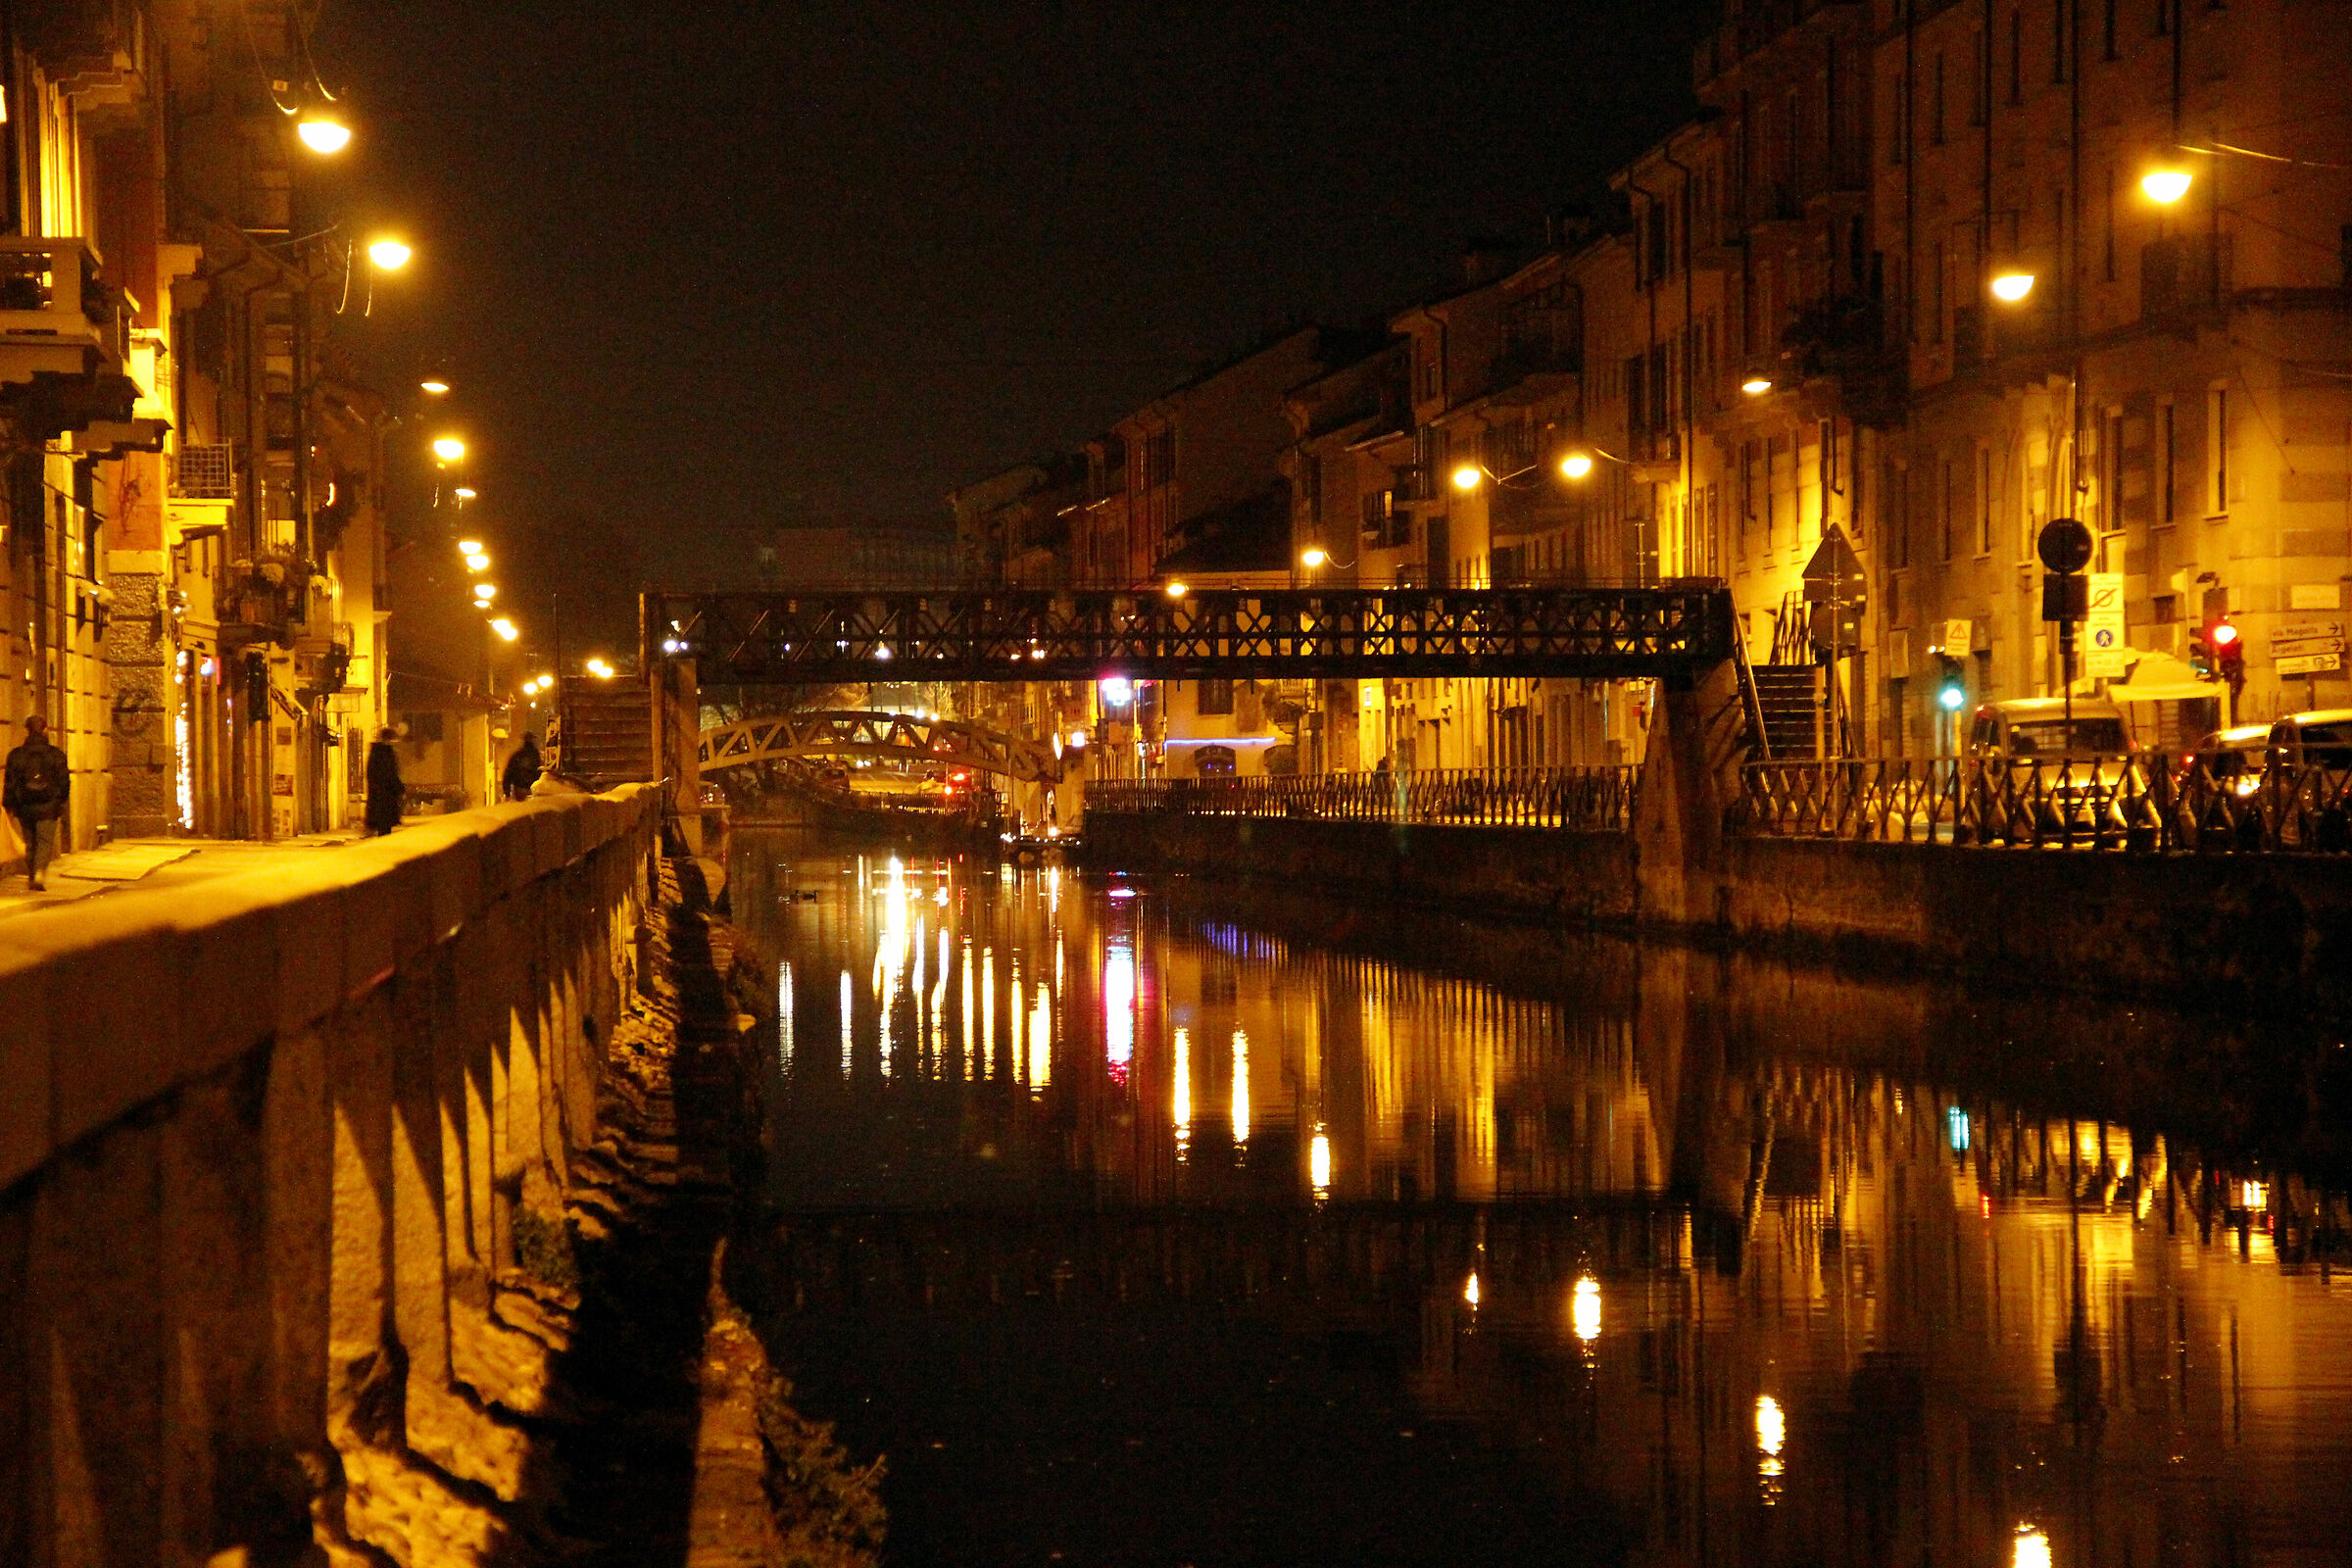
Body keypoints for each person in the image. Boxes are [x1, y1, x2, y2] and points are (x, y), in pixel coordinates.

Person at [3, 714, 70, 890]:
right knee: (45, 841)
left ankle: (32, 875)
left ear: (27, 730)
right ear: (45, 730)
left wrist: (7, 804)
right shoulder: (56, 755)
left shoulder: (16, 755)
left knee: (30, 841)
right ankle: (39, 871)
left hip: (25, 805)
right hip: (48, 805)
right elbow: (64, 781)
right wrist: (61, 800)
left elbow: (10, 781)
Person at [364, 727, 405, 836]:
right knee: (385, 826)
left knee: (383, 825)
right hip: (386, 795)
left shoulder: (375, 752)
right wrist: (399, 788)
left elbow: (371, 773)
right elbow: (390, 773)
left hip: (378, 795)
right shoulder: (386, 753)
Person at [501, 733, 543, 801]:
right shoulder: (536, 756)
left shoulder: (517, 755)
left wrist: (507, 792)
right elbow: (539, 771)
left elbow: (508, 773)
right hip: (533, 788)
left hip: (519, 788)